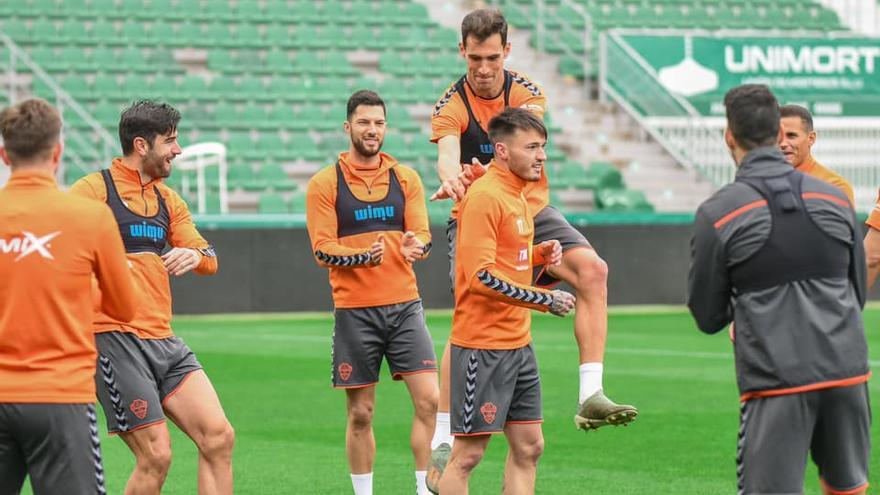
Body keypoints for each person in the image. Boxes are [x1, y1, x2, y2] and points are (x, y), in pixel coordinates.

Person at [427, 8, 636, 488]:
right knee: (469, 316)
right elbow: (445, 155)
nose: (483, 68)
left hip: (530, 209)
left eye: (493, 57)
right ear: (462, 52)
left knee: (594, 272)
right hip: (480, 210)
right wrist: (455, 175)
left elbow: (523, 138)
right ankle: (442, 434)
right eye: (475, 57)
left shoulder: (525, 92)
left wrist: (488, 169)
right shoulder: (450, 105)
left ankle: (591, 393)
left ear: (508, 50)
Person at [688, 84, 870, 495]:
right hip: (848, 371)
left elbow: (708, 316)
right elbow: (857, 291)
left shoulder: (719, 212)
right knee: (848, 489)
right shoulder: (836, 198)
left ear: (729, 136)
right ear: (776, 133)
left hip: (777, 379)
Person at [70, 100, 234, 495]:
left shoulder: (168, 200)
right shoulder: (93, 190)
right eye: (171, 141)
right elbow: (62, 249)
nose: (178, 150)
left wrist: (195, 254)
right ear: (142, 145)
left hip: (163, 339)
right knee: (156, 455)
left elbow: (209, 257)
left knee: (218, 437)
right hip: (113, 338)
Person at [0, 98, 137, 494]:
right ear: (57, 153)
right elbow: (125, 308)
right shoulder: (90, 217)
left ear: (5, 155)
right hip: (60, 397)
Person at [306, 90, 439, 495]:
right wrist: (363, 256)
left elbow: (423, 235)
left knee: (430, 401)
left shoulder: (405, 178)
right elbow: (322, 249)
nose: (372, 130)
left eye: (379, 123)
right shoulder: (325, 183)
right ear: (348, 127)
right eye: (364, 122)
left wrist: (419, 246)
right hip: (355, 312)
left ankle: (424, 489)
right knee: (361, 413)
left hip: (404, 308)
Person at [436, 108, 575, 494]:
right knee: (467, 456)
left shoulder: (517, 196)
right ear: (501, 150)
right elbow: (480, 276)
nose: (541, 156)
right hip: (482, 347)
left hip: (518, 345)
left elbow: (506, 262)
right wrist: (542, 298)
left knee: (530, 447)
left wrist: (537, 256)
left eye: (542, 147)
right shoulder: (484, 197)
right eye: (531, 147)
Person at [780, 104, 854, 204]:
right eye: (778, 137)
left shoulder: (834, 187)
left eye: (791, 136)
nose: (783, 144)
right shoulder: (759, 184)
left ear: (811, 138)